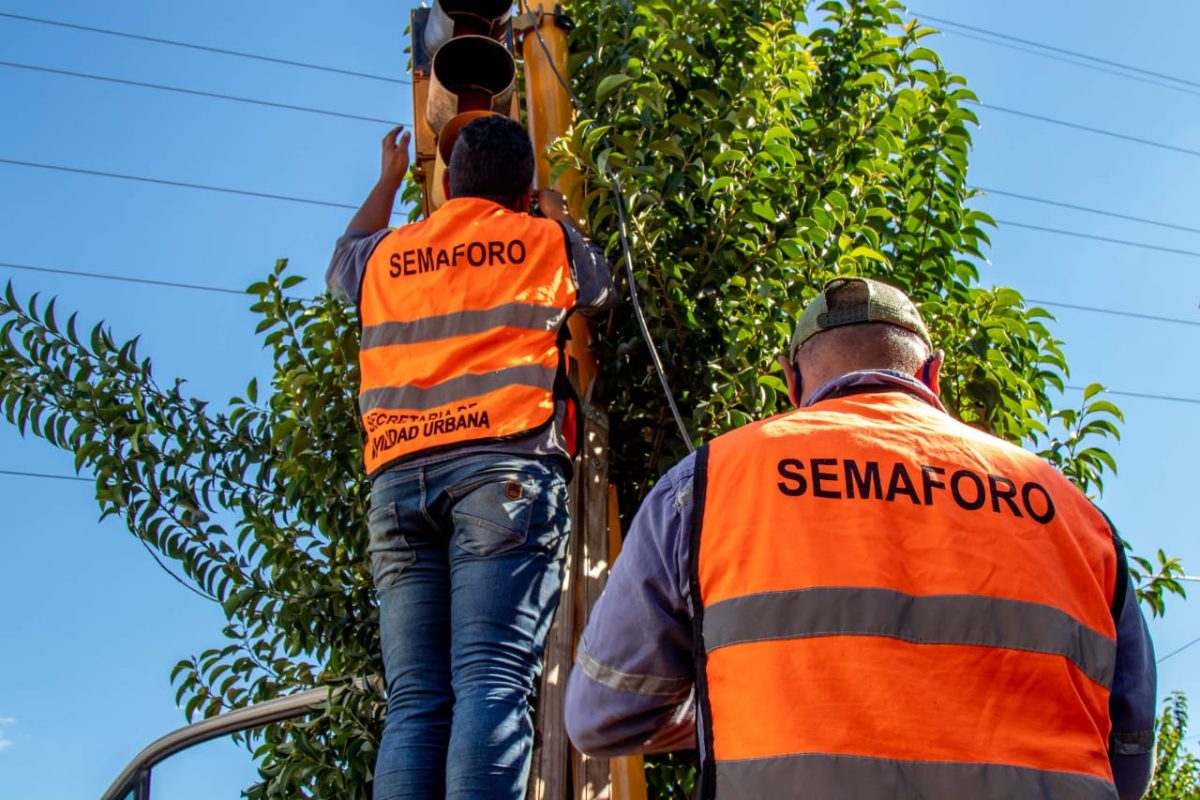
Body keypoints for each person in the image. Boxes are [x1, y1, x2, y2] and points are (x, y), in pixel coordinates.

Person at [564, 277, 1156, 799]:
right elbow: (1128, 760)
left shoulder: (706, 483)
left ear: (791, 381)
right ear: (932, 374)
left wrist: (743, 696)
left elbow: (598, 715)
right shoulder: (1077, 517)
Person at [327, 116, 616, 799]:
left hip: (399, 481)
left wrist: (389, 179)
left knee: (414, 697)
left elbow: (342, 261)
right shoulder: (542, 239)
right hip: (504, 467)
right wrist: (557, 213)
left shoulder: (388, 253)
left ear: (448, 185)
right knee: (491, 679)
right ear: (523, 194)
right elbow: (598, 287)